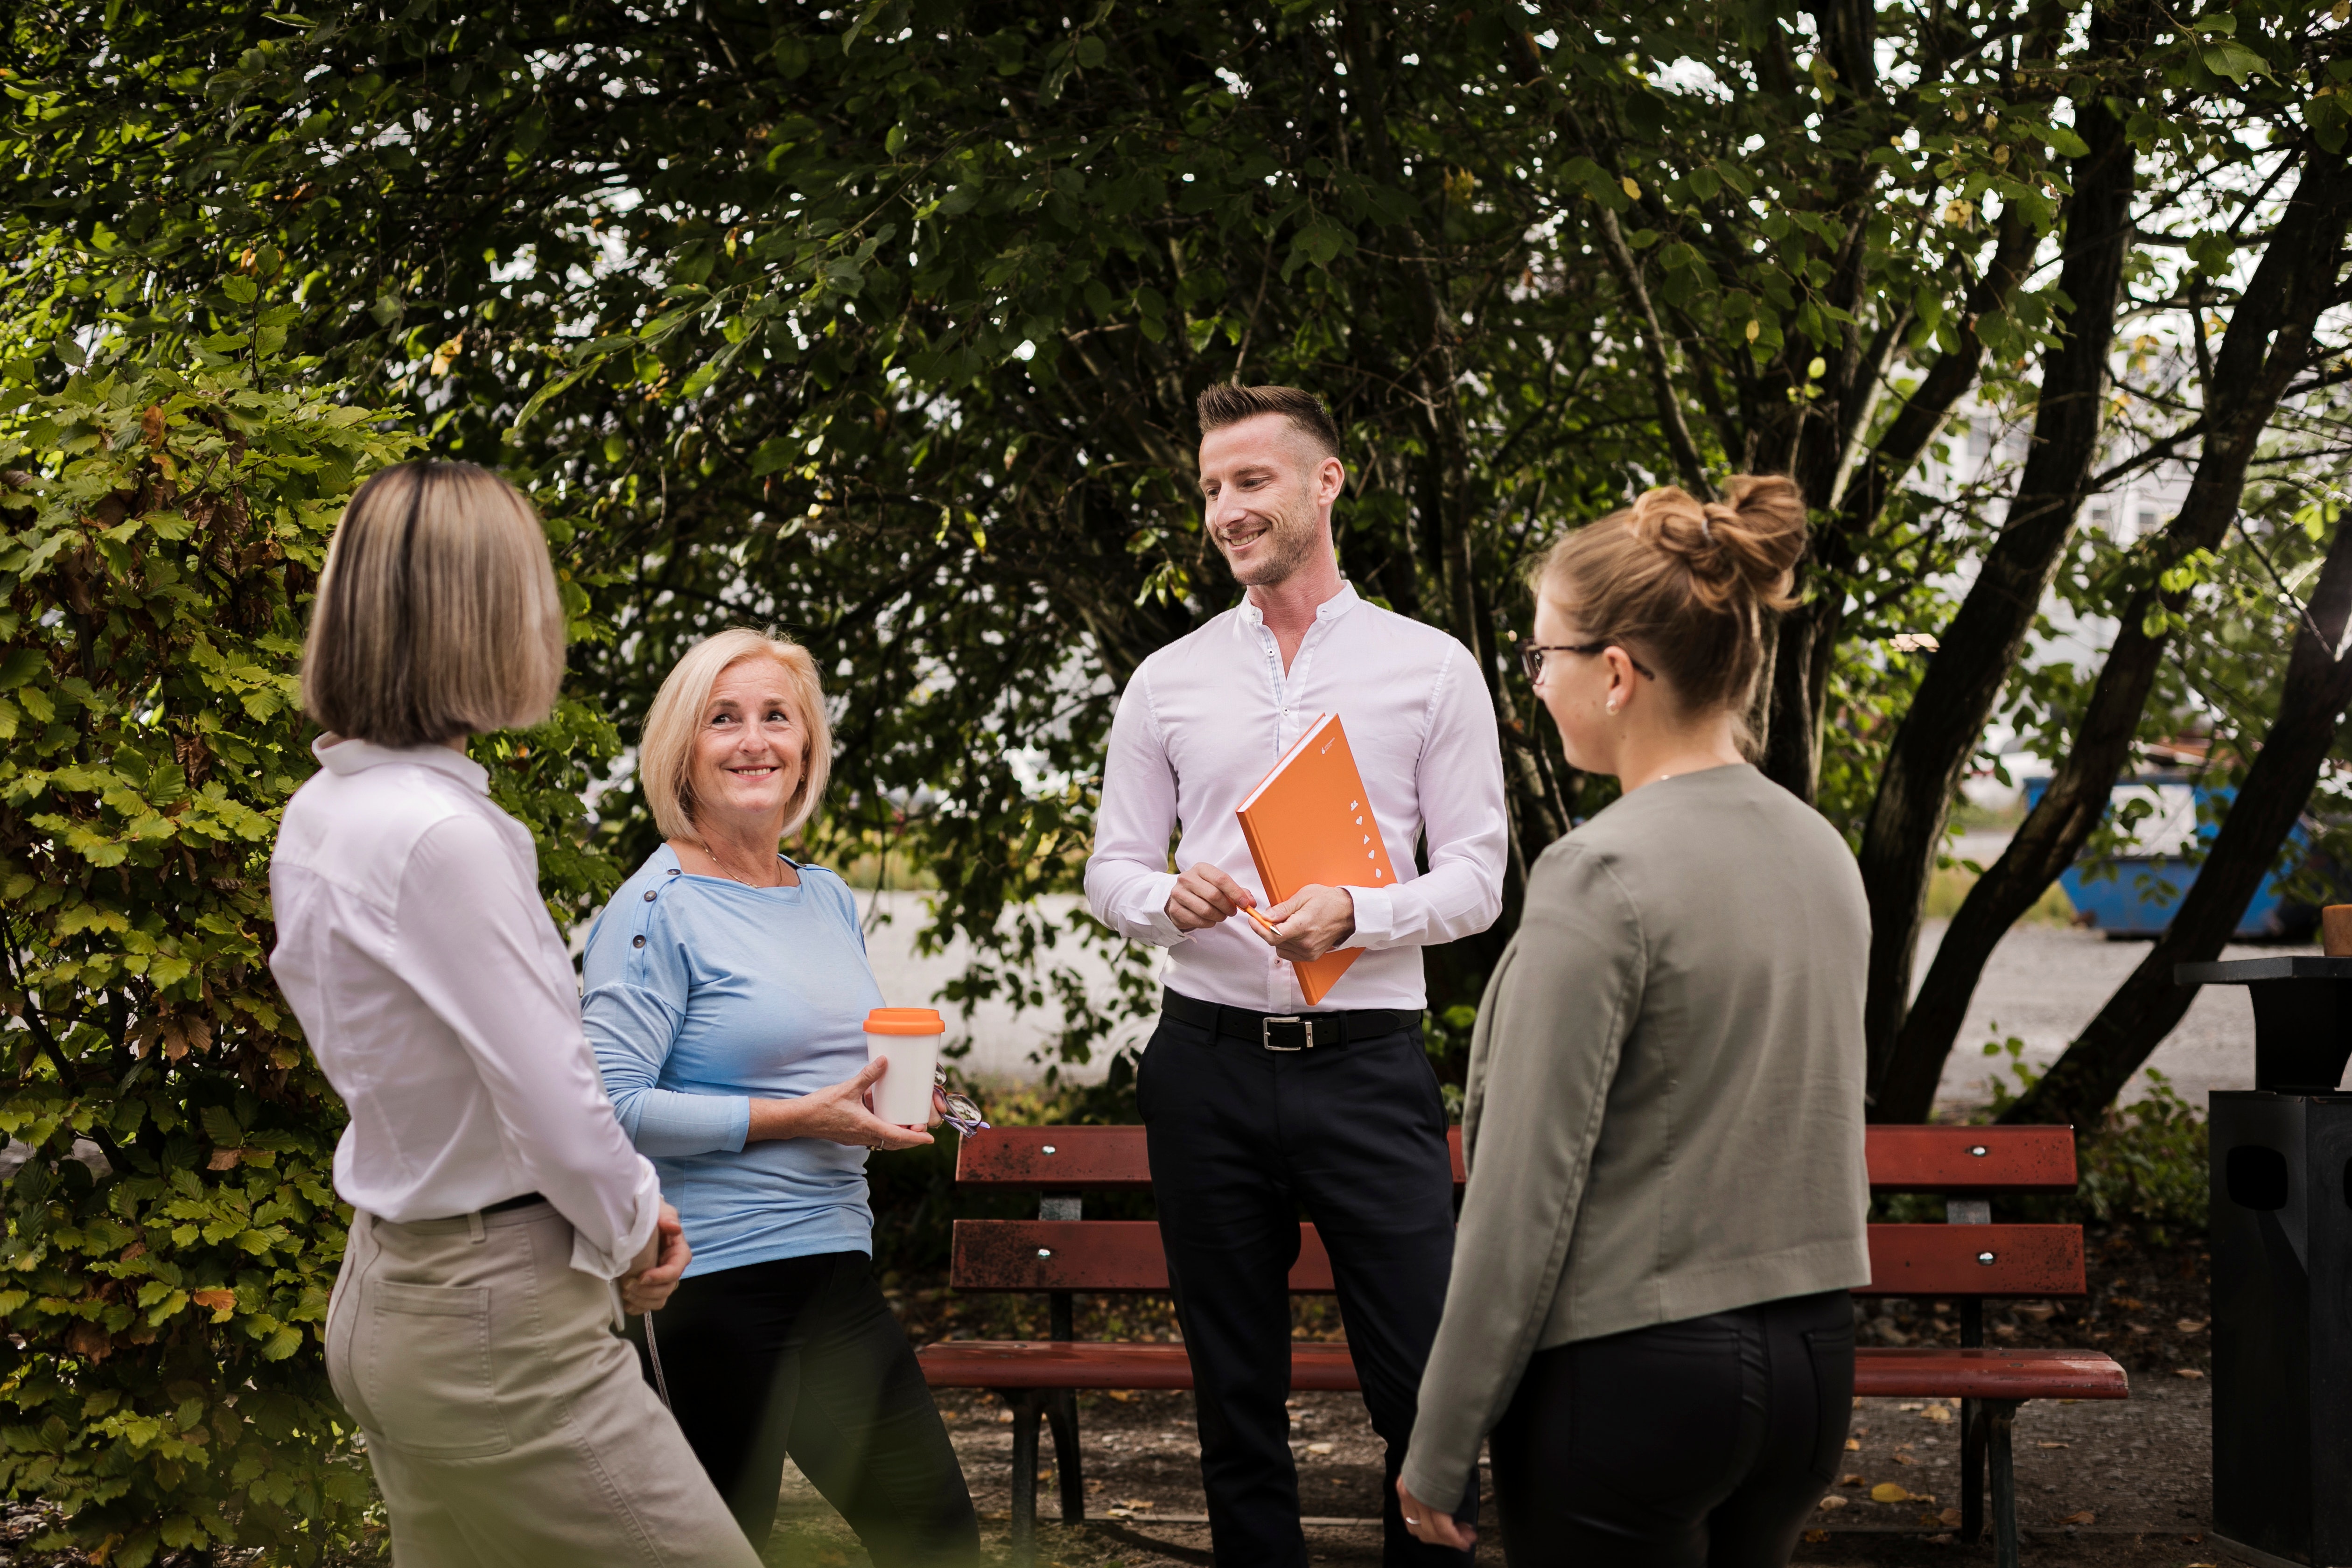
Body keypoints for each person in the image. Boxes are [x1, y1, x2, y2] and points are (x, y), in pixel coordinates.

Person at [270, 460, 758, 1568]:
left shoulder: (326, 809)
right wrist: (636, 1221)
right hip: (498, 1321)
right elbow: (550, 1091)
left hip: (394, 1291)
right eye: (531, 592)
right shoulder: (442, 838)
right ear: (481, 619)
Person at [1395, 478, 1872, 1566]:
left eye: (1540, 658)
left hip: (1632, 1377)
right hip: (1812, 1364)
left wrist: (1440, 1440)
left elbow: (1524, 1193)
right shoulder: (1822, 854)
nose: (1533, 687)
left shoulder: (1598, 874)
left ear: (1613, 674)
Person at [1085, 384, 1509, 1567]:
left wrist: (1361, 915)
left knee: (1426, 1396)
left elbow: (1479, 879)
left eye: (1251, 482)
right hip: (1204, 1065)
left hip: (1369, 1071)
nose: (1226, 509)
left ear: (1329, 482)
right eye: (1213, 488)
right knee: (1233, 1395)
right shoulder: (1167, 680)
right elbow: (1111, 867)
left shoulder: (1431, 671)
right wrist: (1159, 901)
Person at [581, 628, 980, 1566]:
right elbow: (608, 1107)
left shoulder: (827, 895)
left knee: (936, 1542)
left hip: (836, 1269)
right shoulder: (655, 908)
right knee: (720, 1551)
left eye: (776, 717)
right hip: (710, 1285)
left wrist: (909, 1093)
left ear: (807, 746)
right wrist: (803, 1119)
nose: (753, 740)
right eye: (724, 719)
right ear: (685, 748)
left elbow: (820, 1056)